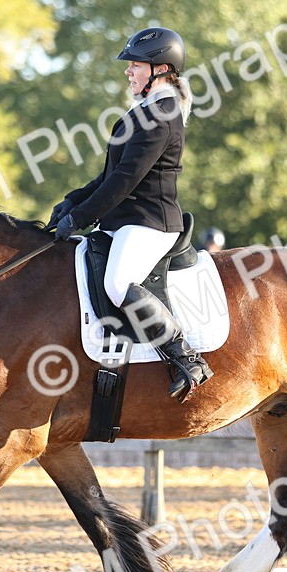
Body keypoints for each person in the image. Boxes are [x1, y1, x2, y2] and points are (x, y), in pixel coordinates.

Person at [49, 27, 213, 403]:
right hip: (126, 220)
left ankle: (186, 358)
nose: (128, 71)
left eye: (135, 65)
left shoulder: (162, 113)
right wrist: (72, 202)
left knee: (118, 283)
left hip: (150, 222)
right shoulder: (145, 110)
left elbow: (127, 179)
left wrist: (81, 218)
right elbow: (109, 175)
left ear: (161, 69)